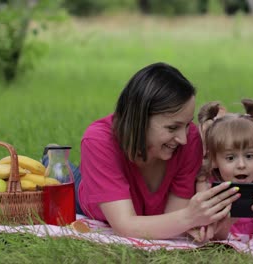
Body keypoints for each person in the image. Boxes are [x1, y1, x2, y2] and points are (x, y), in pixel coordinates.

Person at [60, 62, 240, 239]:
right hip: (88, 201)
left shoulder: (190, 139)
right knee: (62, 178)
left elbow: (172, 220)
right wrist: (189, 218)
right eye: (172, 128)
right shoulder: (99, 140)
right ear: (140, 120)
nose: (183, 139)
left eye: (186, 125)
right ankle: (53, 159)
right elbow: (125, 225)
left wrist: (202, 225)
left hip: (139, 208)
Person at [195, 99, 253, 241]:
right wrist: (228, 219)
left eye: (249, 156)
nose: (241, 165)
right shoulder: (206, 185)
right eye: (230, 158)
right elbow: (212, 240)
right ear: (214, 160)